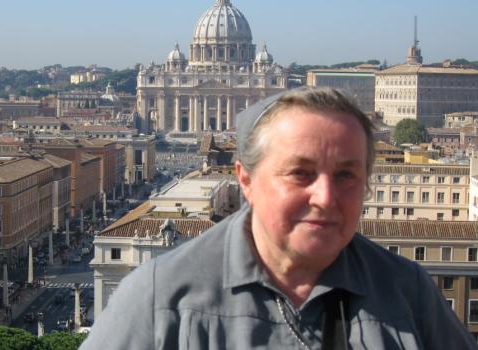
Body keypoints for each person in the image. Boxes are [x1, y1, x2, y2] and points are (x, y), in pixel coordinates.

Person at [81, 87, 476, 349]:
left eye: (346, 174)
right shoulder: (157, 297)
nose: (325, 198)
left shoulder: (410, 292)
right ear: (246, 180)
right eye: (300, 173)